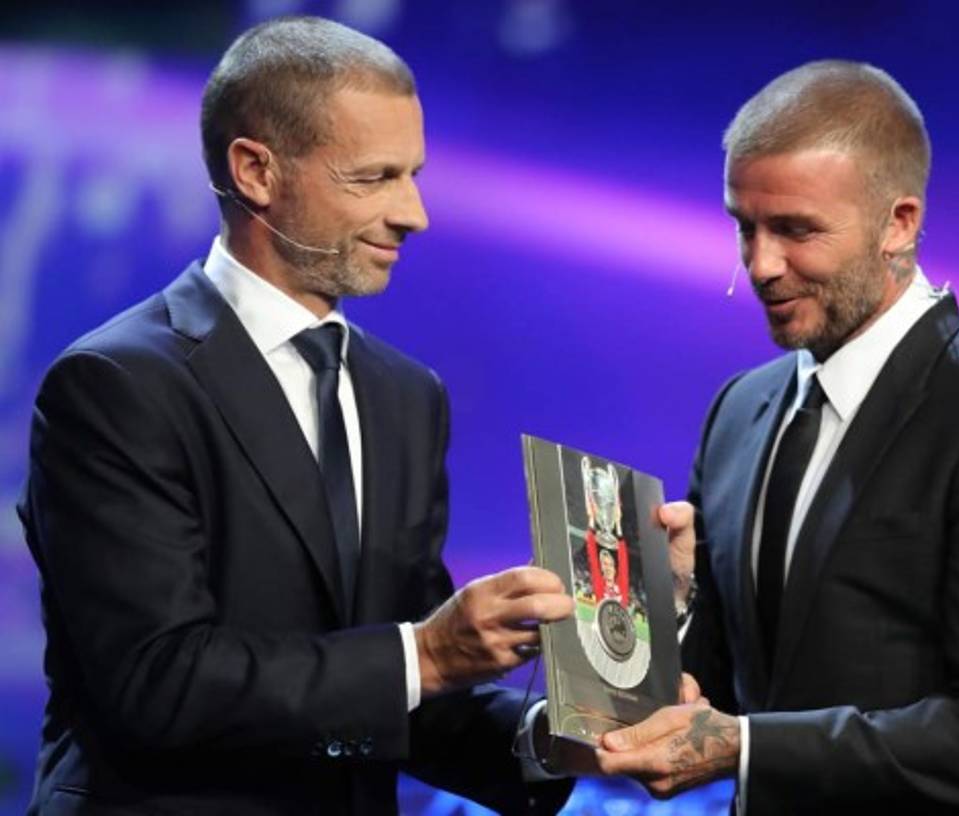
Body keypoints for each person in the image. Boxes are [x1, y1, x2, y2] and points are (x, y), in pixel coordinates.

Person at [18, 16, 578, 816]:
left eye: (413, 174)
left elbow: (405, 689)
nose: (413, 213)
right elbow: (157, 682)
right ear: (255, 171)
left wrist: (563, 738)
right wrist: (425, 652)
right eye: (374, 177)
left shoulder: (405, 395)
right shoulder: (116, 384)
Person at [596, 60, 959, 814]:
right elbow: (729, 686)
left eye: (796, 230)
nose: (761, 264)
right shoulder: (741, 409)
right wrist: (674, 607)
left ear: (898, 223)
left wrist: (749, 749)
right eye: (745, 225)